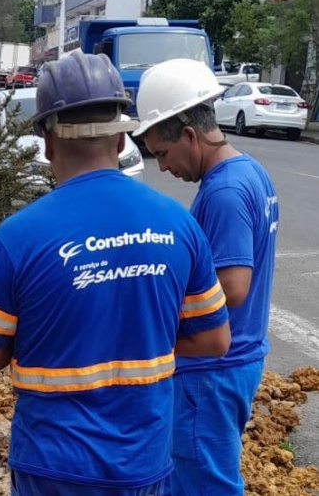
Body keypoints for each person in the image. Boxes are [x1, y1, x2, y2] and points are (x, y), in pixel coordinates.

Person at [0, 50, 231, 496]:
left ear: (47, 141)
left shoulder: (17, 238)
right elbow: (215, 340)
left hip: (54, 466)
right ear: (121, 141)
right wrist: (139, 334)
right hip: (144, 461)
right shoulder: (180, 226)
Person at [134, 58, 279, 496]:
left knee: (204, 485)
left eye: (162, 153)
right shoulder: (249, 171)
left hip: (211, 370)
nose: (162, 168)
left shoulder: (224, 191)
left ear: (190, 135)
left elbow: (232, 288)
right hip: (234, 360)